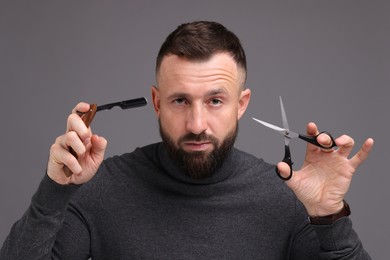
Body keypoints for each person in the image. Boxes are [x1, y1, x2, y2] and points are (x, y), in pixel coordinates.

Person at [1, 21, 374, 259]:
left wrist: (329, 217)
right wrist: (55, 189)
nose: (197, 124)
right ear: (157, 102)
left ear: (241, 104)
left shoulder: (289, 199)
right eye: (180, 100)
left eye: (215, 100)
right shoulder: (100, 188)